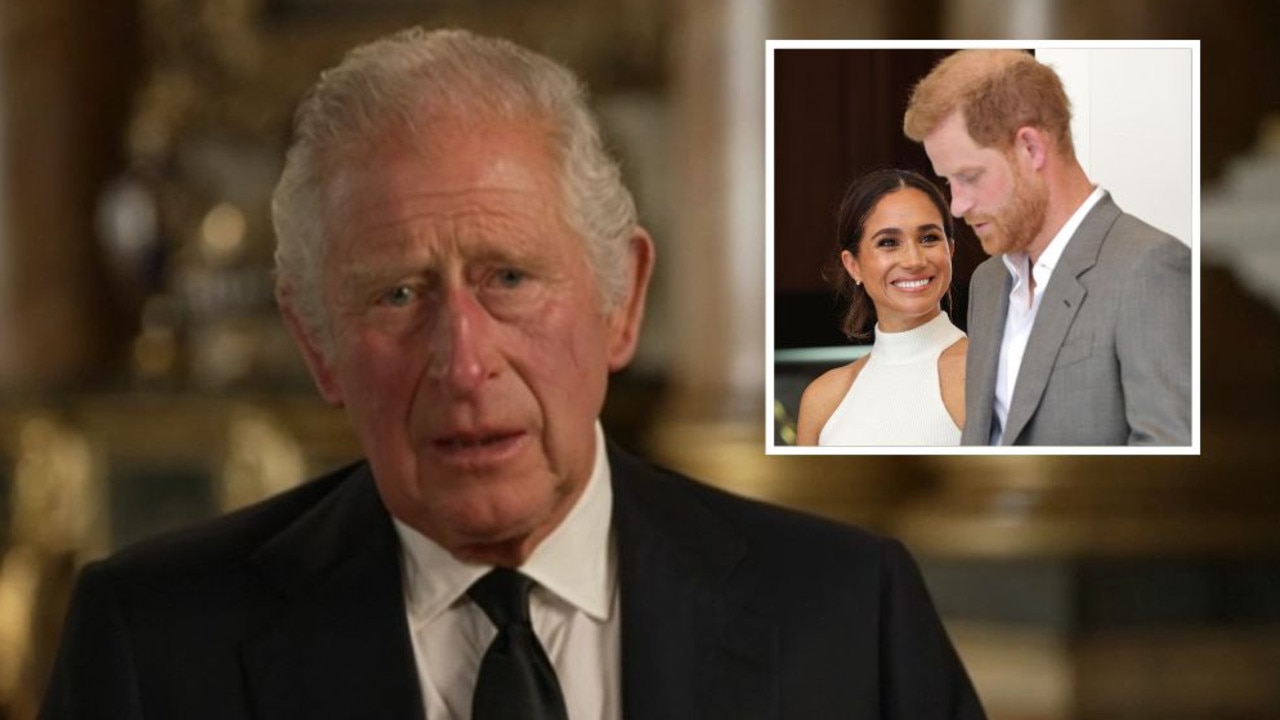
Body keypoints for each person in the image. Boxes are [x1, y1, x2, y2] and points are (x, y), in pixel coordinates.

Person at [40, 28, 986, 719]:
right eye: (399, 296)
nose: (464, 359)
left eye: (509, 278)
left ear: (622, 300)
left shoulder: (848, 618)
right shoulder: (153, 648)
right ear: (318, 342)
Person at [903, 49, 1191, 446]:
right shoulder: (988, 283)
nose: (957, 205)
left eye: (969, 176)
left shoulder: (1149, 267)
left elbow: (1170, 464)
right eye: (949, 182)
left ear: (1031, 149)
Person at [796, 169, 967, 446]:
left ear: (950, 249)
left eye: (928, 238)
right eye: (888, 242)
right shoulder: (822, 399)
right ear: (853, 265)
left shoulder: (987, 372)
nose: (914, 260)